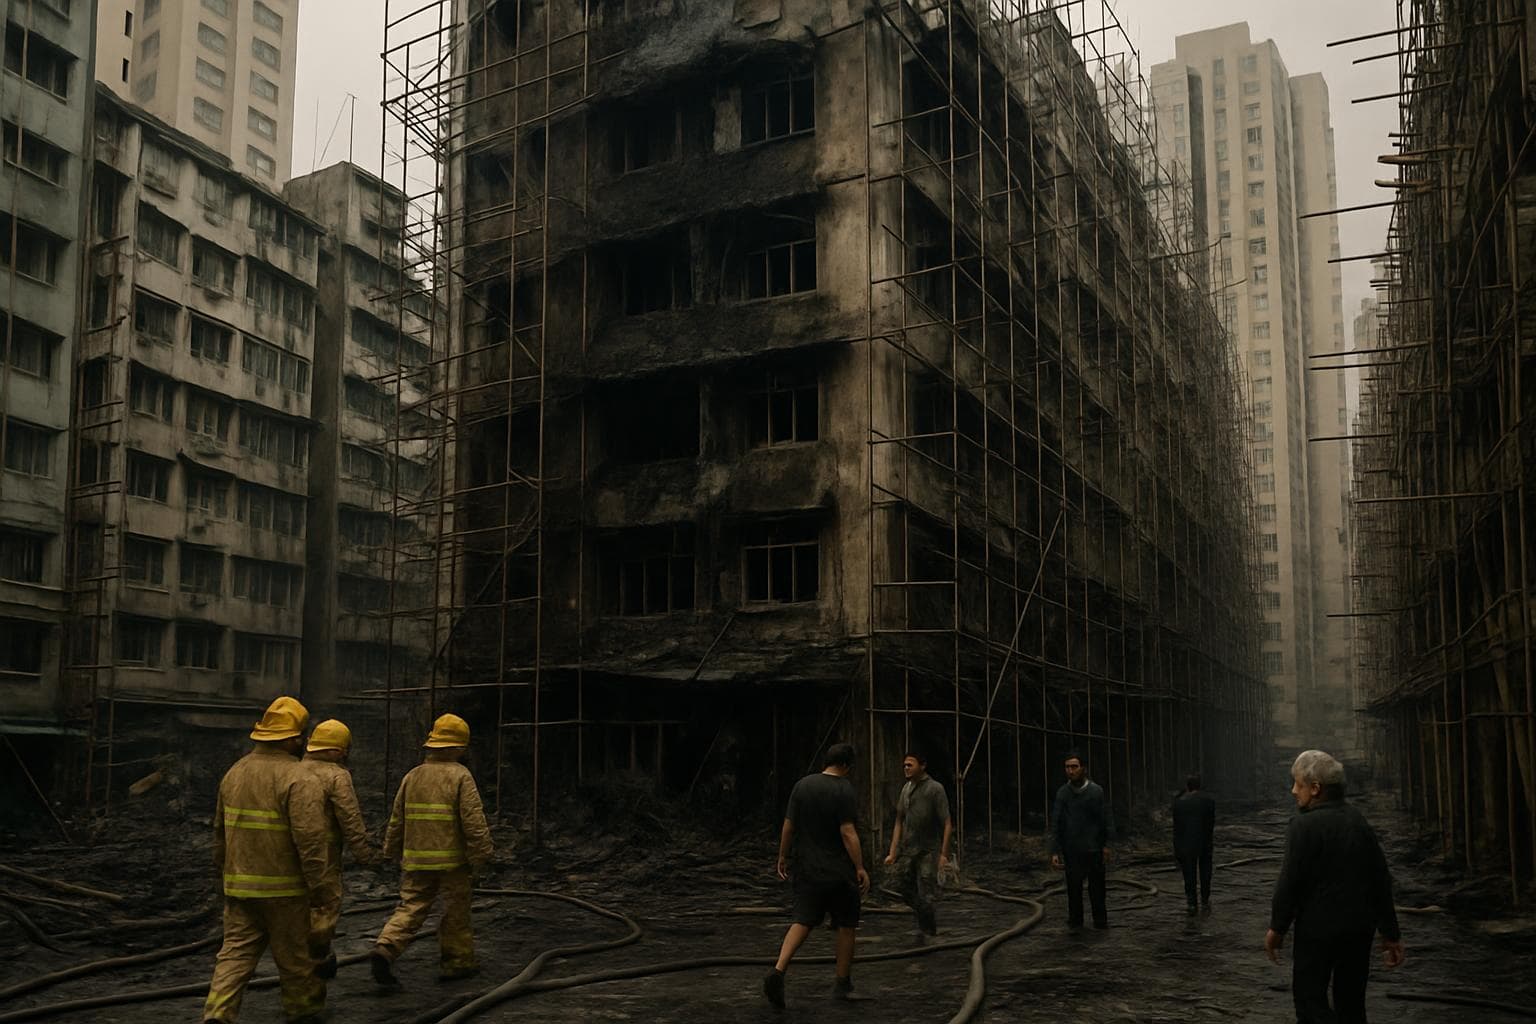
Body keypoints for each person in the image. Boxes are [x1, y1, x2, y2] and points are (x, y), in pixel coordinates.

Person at [202, 696, 330, 1024]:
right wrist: (320, 888)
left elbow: (220, 833)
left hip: (239, 888)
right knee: (294, 959)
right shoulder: (300, 779)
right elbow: (311, 841)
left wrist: (222, 877)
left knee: (234, 955)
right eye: (300, 736)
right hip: (284, 892)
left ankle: (218, 1013)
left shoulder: (235, 773)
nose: (303, 742)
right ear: (291, 739)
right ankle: (303, 1012)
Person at [1265, 749, 1405, 1023]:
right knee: (1352, 1004)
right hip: (1358, 930)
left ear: (1315, 789)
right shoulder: (1358, 821)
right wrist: (1390, 933)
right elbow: (1380, 879)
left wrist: (1277, 928)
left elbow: (1289, 882)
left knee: (1309, 1001)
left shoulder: (1302, 827)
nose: (1294, 790)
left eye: (1298, 784)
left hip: (1317, 931)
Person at [370, 713, 494, 987]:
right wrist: (482, 854)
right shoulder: (461, 776)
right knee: (455, 912)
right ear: (458, 747)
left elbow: (397, 818)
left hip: (415, 859)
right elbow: (473, 820)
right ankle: (457, 963)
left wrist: (389, 850)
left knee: (411, 907)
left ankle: (387, 946)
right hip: (453, 863)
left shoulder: (412, 776)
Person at [763, 742, 872, 1008]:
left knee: (802, 920)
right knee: (847, 925)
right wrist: (860, 867)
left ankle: (778, 970)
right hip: (838, 873)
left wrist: (782, 856)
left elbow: (788, 826)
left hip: (807, 870)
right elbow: (847, 832)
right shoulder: (844, 788)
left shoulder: (802, 785)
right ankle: (842, 985)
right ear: (846, 765)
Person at [301, 718, 377, 978]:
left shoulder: (292, 770)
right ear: (336, 750)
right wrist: (364, 854)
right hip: (324, 855)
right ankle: (317, 958)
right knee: (325, 905)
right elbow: (350, 818)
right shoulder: (337, 775)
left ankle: (297, 955)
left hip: (289, 853)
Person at [882, 750, 953, 938]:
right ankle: (924, 919)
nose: (906, 768)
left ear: (922, 766)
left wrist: (944, 855)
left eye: (910, 764)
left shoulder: (935, 789)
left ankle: (929, 932)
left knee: (926, 894)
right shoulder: (906, 789)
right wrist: (893, 851)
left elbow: (946, 823)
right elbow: (899, 820)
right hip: (908, 849)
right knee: (901, 886)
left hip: (928, 850)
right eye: (904, 765)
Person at [1048, 750, 1115, 929]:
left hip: (1093, 849)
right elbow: (1056, 822)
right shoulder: (1063, 793)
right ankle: (1076, 923)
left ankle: (1100, 922)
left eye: (1074, 767)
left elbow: (1105, 818)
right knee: (1074, 890)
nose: (1070, 771)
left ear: (1083, 768)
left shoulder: (1096, 791)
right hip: (1072, 850)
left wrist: (1107, 844)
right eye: (1067, 767)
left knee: (1097, 890)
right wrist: (1054, 851)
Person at [1172, 771, 1216, 914]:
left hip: (1186, 844)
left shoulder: (1179, 803)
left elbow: (1177, 827)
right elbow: (1211, 824)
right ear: (1200, 785)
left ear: (1188, 786)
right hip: (1204, 842)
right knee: (1205, 872)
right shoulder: (1208, 800)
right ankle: (1205, 899)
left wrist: (1176, 847)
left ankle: (1192, 903)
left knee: (1189, 874)